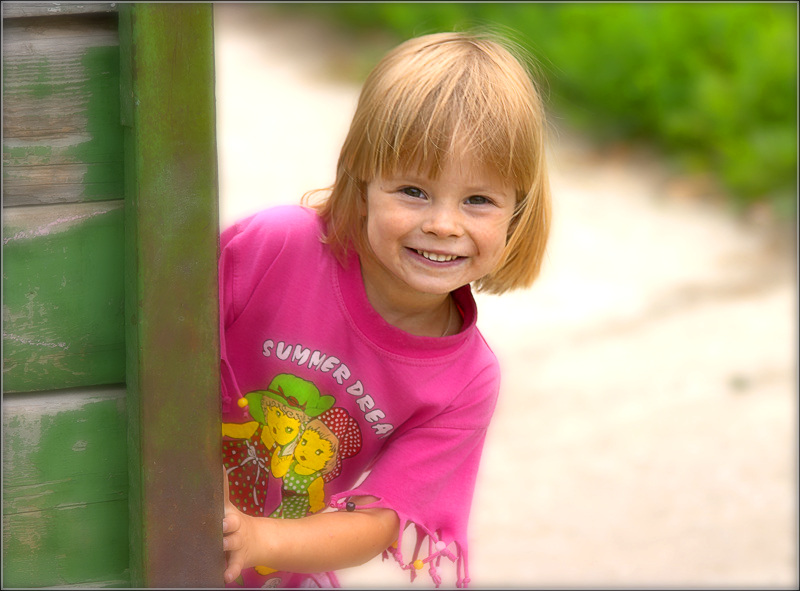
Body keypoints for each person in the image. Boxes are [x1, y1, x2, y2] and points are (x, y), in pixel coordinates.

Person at [219, 29, 552, 588]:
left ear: (517, 214)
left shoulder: (466, 381)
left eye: (478, 200)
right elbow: (162, 342)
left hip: (274, 571)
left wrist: (258, 540)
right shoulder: (276, 245)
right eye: (413, 191)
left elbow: (377, 520)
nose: (444, 224)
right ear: (362, 179)